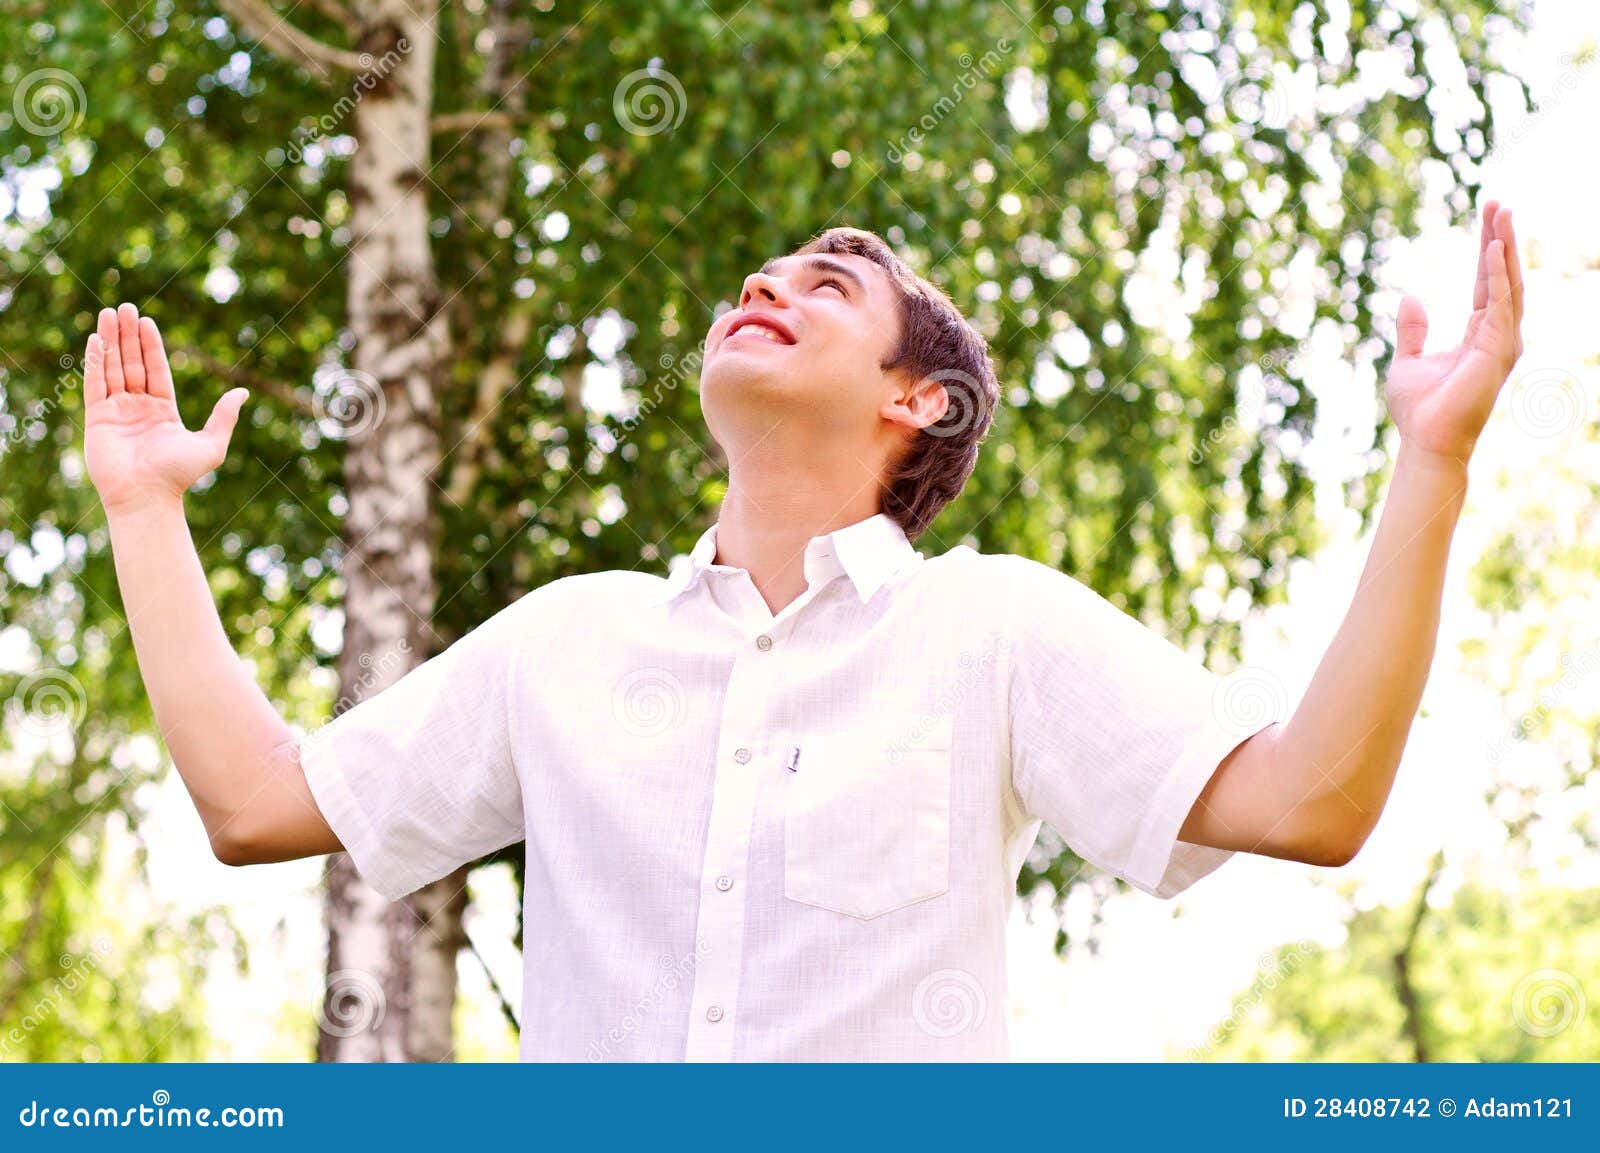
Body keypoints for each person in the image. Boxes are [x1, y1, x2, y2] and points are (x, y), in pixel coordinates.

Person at [82, 207, 1524, 1060]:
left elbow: (1311, 803)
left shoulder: (995, 628)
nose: (762, 287)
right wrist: (144, 510)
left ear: (918, 400)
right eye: (756, 281)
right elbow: (255, 805)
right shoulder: (566, 642)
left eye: (826, 284)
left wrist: (1435, 463)